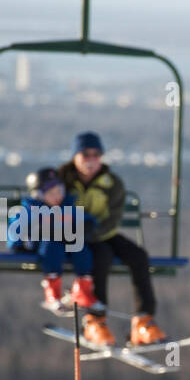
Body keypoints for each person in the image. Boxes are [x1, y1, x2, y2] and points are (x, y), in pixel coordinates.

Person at [57, 131, 165, 348]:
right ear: (75, 156)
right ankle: (95, 320)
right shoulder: (61, 181)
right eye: (85, 154)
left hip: (102, 234)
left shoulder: (111, 183)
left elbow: (113, 218)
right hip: (70, 237)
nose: (91, 160)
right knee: (101, 257)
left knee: (137, 256)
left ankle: (143, 320)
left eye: (96, 154)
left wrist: (93, 233)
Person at [7, 167, 98, 313]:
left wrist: (88, 224)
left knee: (81, 250)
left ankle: (83, 290)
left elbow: (82, 217)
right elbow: (16, 226)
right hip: (43, 244)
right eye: (51, 193)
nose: (57, 196)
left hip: (66, 242)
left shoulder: (66, 207)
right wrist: (16, 245)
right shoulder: (32, 210)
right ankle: (53, 294)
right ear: (39, 195)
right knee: (53, 246)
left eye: (59, 192)